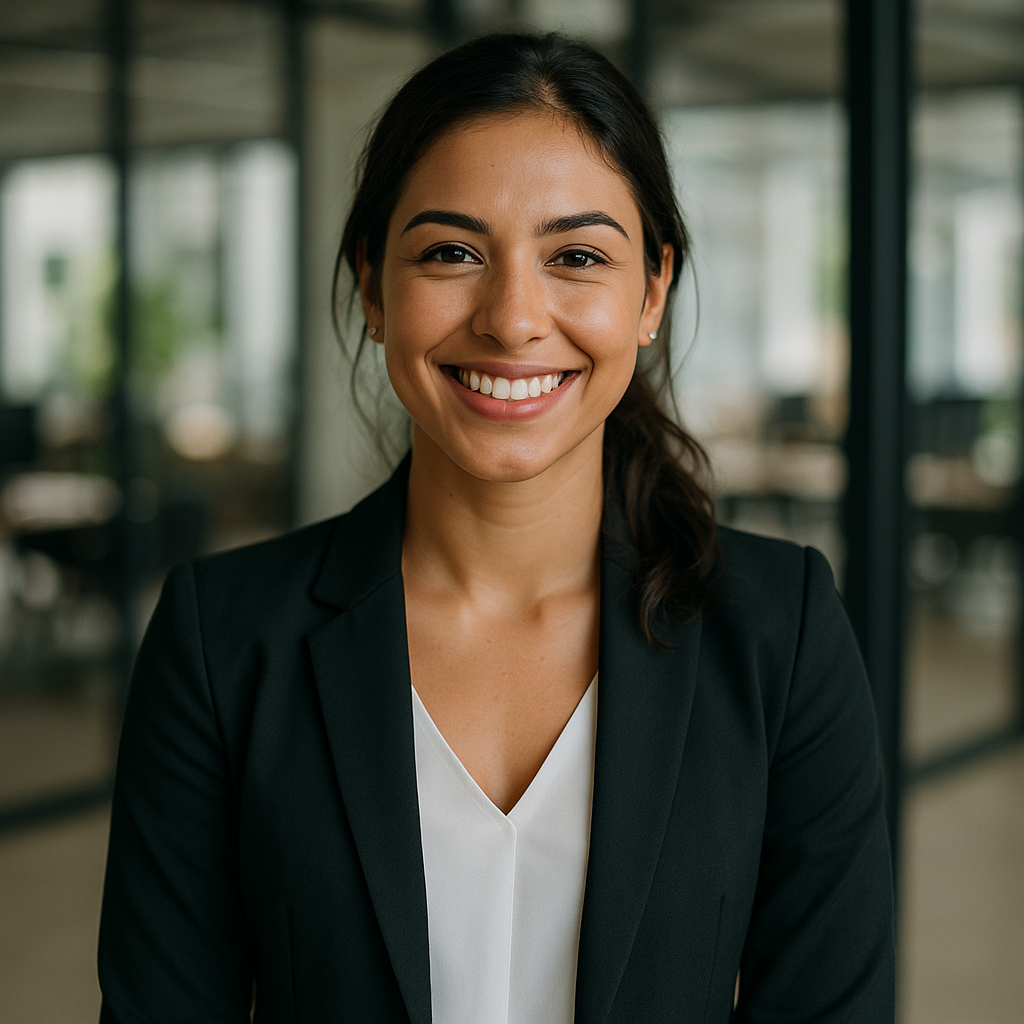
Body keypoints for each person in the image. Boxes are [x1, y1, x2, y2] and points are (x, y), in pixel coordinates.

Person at [97, 32, 895, 1024]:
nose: (514, 318)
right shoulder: (222, 641)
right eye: (450, 253)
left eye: (576, 256)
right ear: (373, 288)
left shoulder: (783, 636)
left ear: (650, 291)